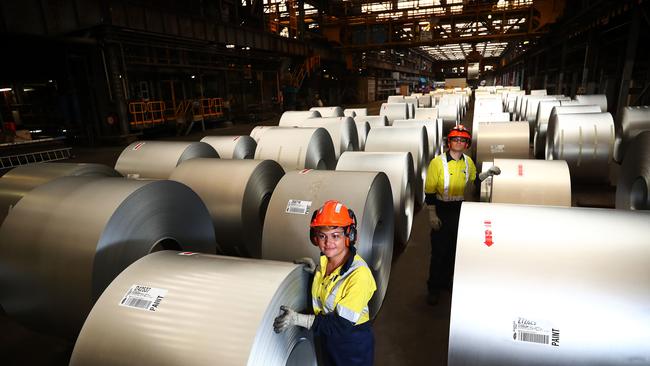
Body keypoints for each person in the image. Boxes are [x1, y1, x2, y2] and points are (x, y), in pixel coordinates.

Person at [273, 200, 377, 366]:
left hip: (351, 345)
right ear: (315, 238)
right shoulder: (325, 263)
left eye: (335, 235)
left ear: (349, 236)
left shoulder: (359, 275)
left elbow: (341, 324)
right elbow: (329, 291)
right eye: (322, 236)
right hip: (326, 336)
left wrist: (298, 319)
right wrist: (316, 273)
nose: (328, 243)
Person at [424, 124, 500, 305]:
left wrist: (487, 173)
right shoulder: (437, 163)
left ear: (467, 144)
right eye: (455, 139)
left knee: (454, 250)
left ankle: (446, 282)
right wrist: (432, 215)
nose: (459, 142)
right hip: (441, 209)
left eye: (463, 140)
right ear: (449, 142)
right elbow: (430, 192)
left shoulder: (468, 162)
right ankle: (433, 287)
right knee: (439, 252)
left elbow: (474, 179)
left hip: (460, 210)